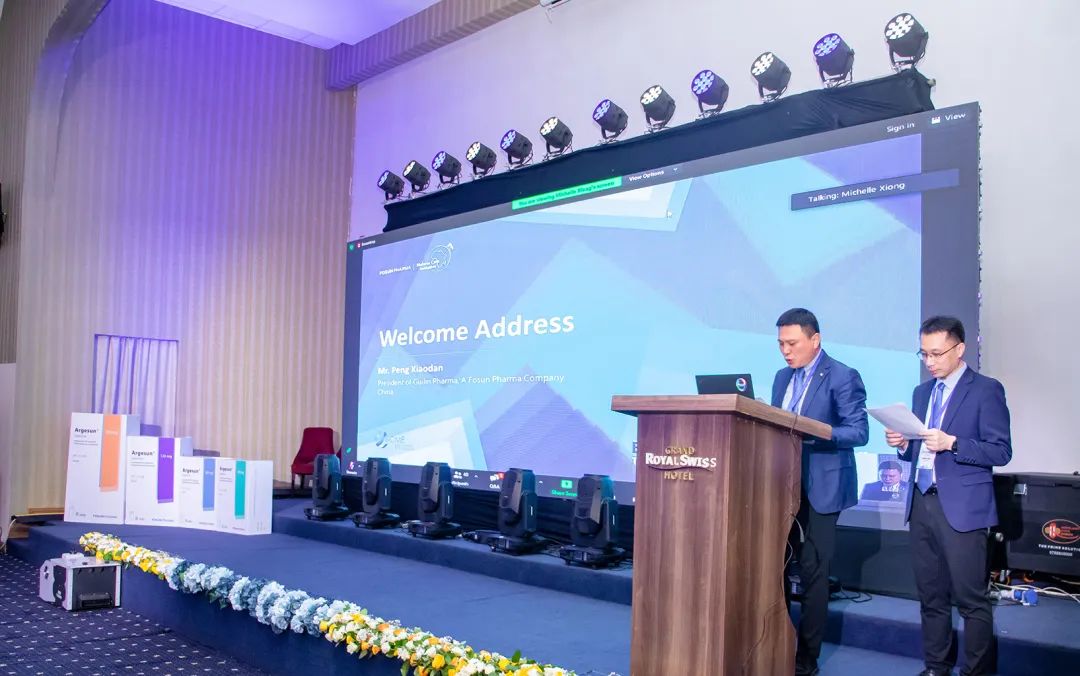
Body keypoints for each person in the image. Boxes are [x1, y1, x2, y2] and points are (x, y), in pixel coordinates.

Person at [884, 316, 1012, 676]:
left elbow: (1001, 451)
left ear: (960, 349)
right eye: (924, 354)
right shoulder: (922, 393)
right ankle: (936, 667)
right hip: (921, 502)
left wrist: (953, 443)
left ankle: (976, 672)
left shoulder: (986, 390)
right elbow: (916, 451)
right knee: (931, 596)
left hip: (963, 508)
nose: (930, 361)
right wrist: (902, 444)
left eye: (937, 353)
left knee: (972, 600)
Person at [772, 308, 869, 676]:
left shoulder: (843, 376)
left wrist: (815, 431)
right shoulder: (782, 377)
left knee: (813, 573)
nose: (785, 351)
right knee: (775, 566)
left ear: (815, 340)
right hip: (779, 487)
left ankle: (806, 658)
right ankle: (776, 643)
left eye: (792, 343)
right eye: (781, 344)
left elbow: (858, 432)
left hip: (823, 488)